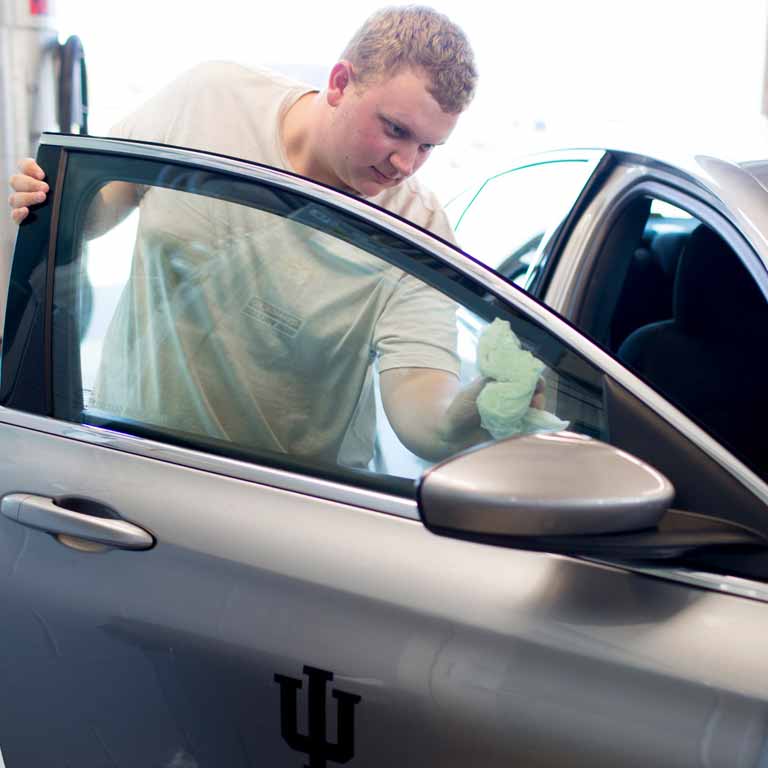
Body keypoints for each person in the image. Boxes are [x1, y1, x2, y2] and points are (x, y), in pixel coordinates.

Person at [9, 6, 539, 468]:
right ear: (339, 83)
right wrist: (52, 199)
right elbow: (99, 212)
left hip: (287, 501)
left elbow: (418, 403)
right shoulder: (209, 99)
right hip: (133, 455)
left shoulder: (416, 229)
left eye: (428, 147)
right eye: (395, 129)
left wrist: (468, 413)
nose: (405, 164)